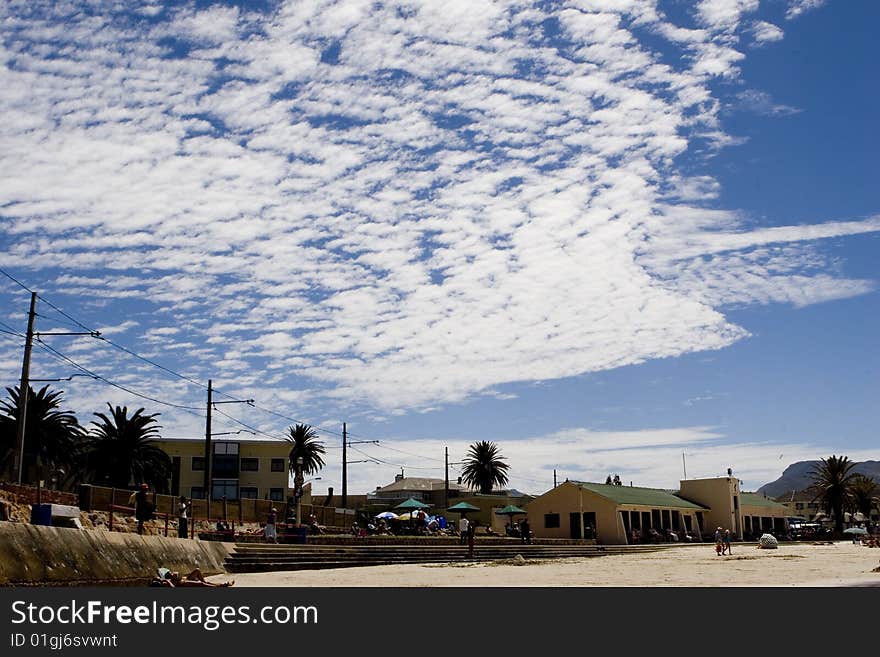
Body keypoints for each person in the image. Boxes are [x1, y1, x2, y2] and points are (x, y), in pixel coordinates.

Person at [152, 567, 234, 588]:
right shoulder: (167, 582)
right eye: (169, 573)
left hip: (185, 579)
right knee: (201, 584)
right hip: (184, 584)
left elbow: (178, 576)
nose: (171, 572)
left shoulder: (170, 577)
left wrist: (175, 575)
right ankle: (222, 585)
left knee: (197, 571)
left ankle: (223, 584)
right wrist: (169, 580)